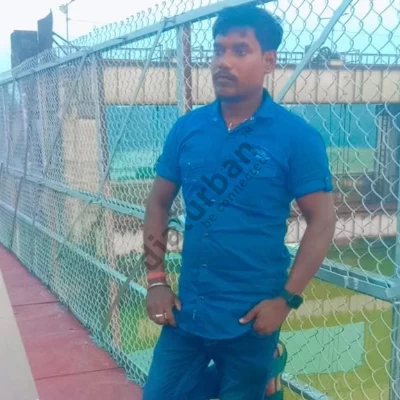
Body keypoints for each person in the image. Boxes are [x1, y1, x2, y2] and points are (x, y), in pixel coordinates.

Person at [142, 4, 336, 400]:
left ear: (268, 61)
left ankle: (265, 371)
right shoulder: (188, 129)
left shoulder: (296, 137)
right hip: (188, 311)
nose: (223, 62)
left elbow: (322, 221)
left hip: (253, 319)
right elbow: (158, 202)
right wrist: (156, 281)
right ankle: (269, 376)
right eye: (218, 50)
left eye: (240, 50)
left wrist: (286, 300)